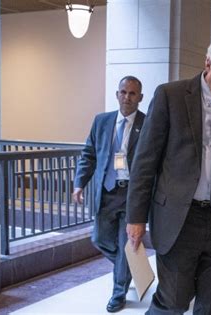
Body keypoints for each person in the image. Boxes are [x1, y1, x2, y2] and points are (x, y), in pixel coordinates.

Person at [126, 30, 211, 314]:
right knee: (173, 301)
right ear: (208, 63)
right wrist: (136, 217)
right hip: (180, 219)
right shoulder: (170, 96)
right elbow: (145, 161)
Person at [72, 76, 145, 313]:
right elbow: (89, 154)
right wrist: (79, 183)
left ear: (140, 98)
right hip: (107, 192)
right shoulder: (102, 121)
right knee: (99, 239)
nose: (127, 97)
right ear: (117, 94)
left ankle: (118, 293)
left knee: (126, 246)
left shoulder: (148, 123)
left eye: (132, 93)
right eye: (123, 92)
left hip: (133, 195)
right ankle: (128, 268)